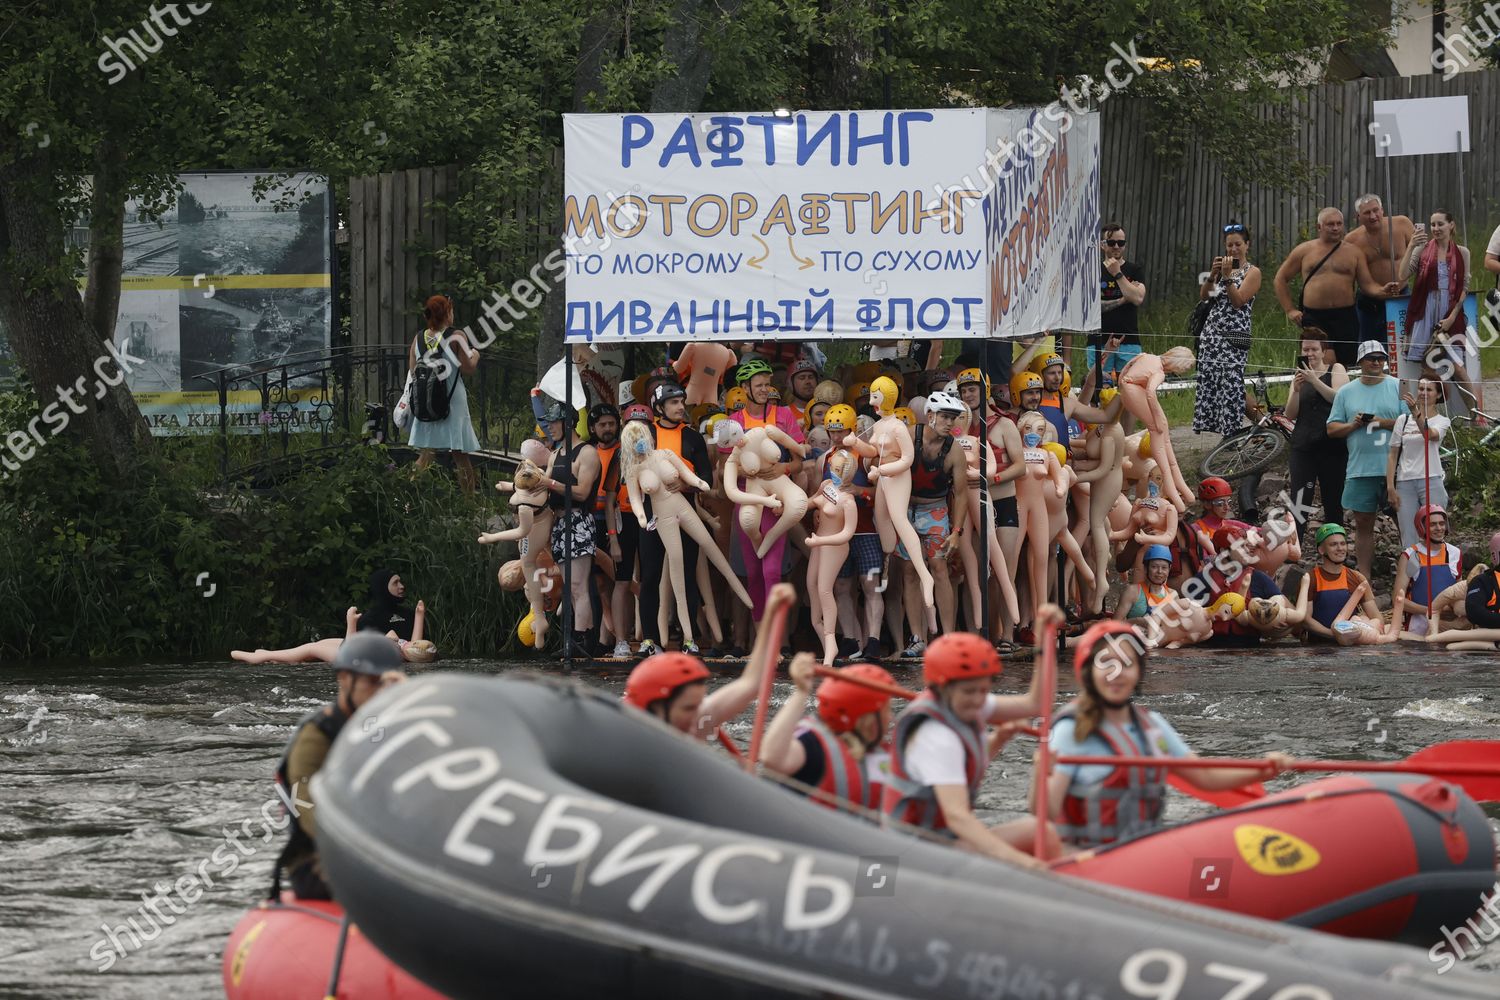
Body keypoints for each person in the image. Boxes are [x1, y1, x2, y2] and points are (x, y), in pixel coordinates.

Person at [1045, 621, 1292, 852]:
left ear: (1139, 673)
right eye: (1107, 663)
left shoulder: (1152, 726)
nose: (1116, 673)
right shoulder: (1071, 730)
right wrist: (1042, 774)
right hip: (1083, 856)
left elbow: (1205, 777)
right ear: (1088, 671)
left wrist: (1263, 769)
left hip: (1140, 853)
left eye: (1127, 664)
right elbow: (1046, 810)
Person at [883, 631, 1055, 869]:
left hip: (940, 839)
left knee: (1041, 832)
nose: (978, 701)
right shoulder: (936, 735)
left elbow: (1034, 704)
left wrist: (1044, 646)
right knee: (1017, 855)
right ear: (943, 686)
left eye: (983, 690)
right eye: (970, 691)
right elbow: (957, 817)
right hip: (913, 852)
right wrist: (1023, 862)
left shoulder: (964, 705)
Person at [270, 632, 407, 899]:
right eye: (372, 683)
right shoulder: (316, 735)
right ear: (344, 679)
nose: (381, 693)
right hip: (318, 860)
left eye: (386, 684)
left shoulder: (381, 732)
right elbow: (307, 808)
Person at [622, 583, 787, 737]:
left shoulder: (695, 718)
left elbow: (749, 685)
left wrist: (771, 612)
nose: (698, 716)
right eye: (689, 708)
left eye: (699, 705)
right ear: (653, 710)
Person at [637, 382, 714, 657]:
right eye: (673, 403)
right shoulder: (645, 436)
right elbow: (632, 473)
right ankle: (649, 640)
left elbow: (707, 479)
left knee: (686, 577)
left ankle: (688, 638)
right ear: (659, 408)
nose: (681, 407)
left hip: (685, 515)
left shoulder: (693, 438)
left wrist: (685, 486)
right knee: (650, 577)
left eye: (682, 401)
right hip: (652, 518)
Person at [761, 654, 895, 811]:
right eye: (886, 710)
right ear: (867, 719)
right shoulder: (814, 746)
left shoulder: (886, 751)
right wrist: (801, 692)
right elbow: (771, 757)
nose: (891, 717)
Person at [1274, 208, 1401, 366]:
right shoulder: (1304, 250)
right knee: (1323, 363)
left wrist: (1382, 291)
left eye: (1339, 224)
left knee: (1345, 364)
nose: (1335, 228)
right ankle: (1316, 389)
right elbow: (1280, 278)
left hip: (1346, 317)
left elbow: (1367, 284)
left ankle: (1340, 390)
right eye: (1330, 224)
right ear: (1319, 227)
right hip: (1315, 317)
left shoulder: (1354, 252)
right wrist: (1290, 310)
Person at [896, 391, 969, 654]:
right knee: (909, 572)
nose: (950, 423)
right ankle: (917, 638)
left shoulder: (954, 450)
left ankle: (948, 637)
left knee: (939, 568)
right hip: (906, 510)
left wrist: (957, 531)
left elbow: (961, 494)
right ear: (930, 416)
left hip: (935, 509)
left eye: (954, 418)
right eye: (946, 417)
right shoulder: (909, 435)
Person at [1326, 340, 1402, 580]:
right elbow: (1331, 428)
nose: (1378, 362)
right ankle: (1364, 577)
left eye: (1381, 358)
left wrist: (1379, 421)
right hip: (1360, 468)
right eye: (1372, 358)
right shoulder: (1346, 392)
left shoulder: (1397, 386)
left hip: (1397, 468)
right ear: (1360, 362)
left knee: (1404, 521)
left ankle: (1410, 574)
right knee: (1363, 522)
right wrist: (1353, 425)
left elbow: (1411, 421)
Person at [536, 399, 602, 657]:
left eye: (553, 423)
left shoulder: (586, 453)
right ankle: (571, 639)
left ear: (568, 423)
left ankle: (583, 639)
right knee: (568, 586)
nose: (550, 428)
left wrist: (549, 482)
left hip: (579, 520)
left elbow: (583, 491)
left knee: (578, 585)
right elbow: (543, 486)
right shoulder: (555, 454)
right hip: (559, 522)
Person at [1399, 209, 1474, 409]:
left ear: (1451, 225)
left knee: (1458, 367)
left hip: (1451, 311)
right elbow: (1403, 274)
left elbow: (1464, 287)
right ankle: (1428, 416)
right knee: (1428, 368)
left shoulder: (1463, 252)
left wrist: (1452, 317)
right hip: (1425, 310)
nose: (1435, 228)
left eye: (1440, 224)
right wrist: (1411, 246)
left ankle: (1477, 415)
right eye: (1432, 224)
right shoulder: (1422, 248)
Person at [1192, 222, 1261, 437]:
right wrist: (1213, 275)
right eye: (1229, 245)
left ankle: (1234, 432)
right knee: (1215, 383)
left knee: (1232, 384)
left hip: (1235, 336)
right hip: (1212, 336)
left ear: (1247, 245)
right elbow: (1205, 297)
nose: (1233, 249)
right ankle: (1256, 426)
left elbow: (1238, 301)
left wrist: (1228, 277)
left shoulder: (1253, 272)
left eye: (1238, 244)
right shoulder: (1220, 269)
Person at [407, 294, 480, 493]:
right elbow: (468, 367)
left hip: (427, 400)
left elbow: (413, 371)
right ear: (447, 313)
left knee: (426, 453)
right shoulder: (457, 336)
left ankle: (407, 498)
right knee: (460, 454)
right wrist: (476, 355)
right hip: (452, 400)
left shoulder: (419, 338)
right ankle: (469, 503)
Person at [1285, 329, 1348, 541]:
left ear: (1323, 351)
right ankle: (1296, 547)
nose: (1309, 353)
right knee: (1300, 499)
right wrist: (1295, 390)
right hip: (1304, 446)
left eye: (1313, 349)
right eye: (1305, 349)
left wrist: (1315, 381)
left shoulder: (1336, 369)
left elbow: (1340, 398)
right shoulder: (1299, 374)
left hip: (1332, 446)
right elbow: (1290, 413)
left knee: (1333, 500)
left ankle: (1335, 547)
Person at [233, 604, 434, 665]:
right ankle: (276, 655)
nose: (414, 642)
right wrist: (419, 615)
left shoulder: (392, 652)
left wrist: (351, 622)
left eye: (414, 645)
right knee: (312, 648)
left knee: (311, 648)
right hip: (356, 648)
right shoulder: (405, 649)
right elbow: (416, 641)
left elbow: (351, 650)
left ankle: (262, 656)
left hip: (349, 654)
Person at [1385, 379, 1450, 549]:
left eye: (1429, 389)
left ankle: (1437, 569)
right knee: (1408, 533)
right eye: (1421, 388)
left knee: (1435, 530)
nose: (1423, 392)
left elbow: (1429, 435)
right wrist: (1390, 487)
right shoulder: (1403, 420)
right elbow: (1392, 454)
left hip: (1432, 478)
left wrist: (1416, 412)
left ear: (1438, 395)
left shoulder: (1442, 421)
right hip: (1405, 481)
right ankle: (1412, 574)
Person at [1345, 194, 1417, 345]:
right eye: (1367, 213)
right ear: (1358, 216)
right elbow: (1352, 278)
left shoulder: (1402, 224)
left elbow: (1423, 255)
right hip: (1369, 303)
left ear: (1382, 210)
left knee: (1403, 346)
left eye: (1375, 210)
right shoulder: (1352, 241)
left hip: (1401, 296)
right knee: (1369, 349)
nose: (1372, 216)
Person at [1392, 504, 1462, 636]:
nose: (1439, 528)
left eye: (1442, 523)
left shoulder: (1455, 553)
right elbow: (1397, 599)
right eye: (1433, 524)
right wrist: (1430, 611)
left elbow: (1459, 593)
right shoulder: (1410, 555)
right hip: (1418, 626)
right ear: (1421, 527)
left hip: (1448, 625)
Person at [1302, 524, 1380, 642]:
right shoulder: (1310, 578)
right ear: (1321, 550)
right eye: (1333, 544)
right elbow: (1306, 620)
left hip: (1350, 645)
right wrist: (1335, 635)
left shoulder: (1357, 578)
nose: (1340, 548)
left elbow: (1376, 617)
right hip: (1318, 647)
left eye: (1343, 544)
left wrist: (1365, 634)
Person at [1091, 222, 1146, 382]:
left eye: (1120, 243)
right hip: (1099, 340)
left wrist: (1117, 274)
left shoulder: (1135, 270)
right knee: (1099, 386)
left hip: (1129, 340)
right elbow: (1093, 307)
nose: (1116, 246)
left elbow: (1137, 298)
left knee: (1129, 388)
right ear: (1102, 245)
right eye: (1111, 242)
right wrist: (1123, 299)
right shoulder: (1093, 270)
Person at [1115, 545, 1177, 626]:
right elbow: (1114, 625)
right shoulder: (1133, 591)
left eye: (1164, 568)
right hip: (1133, 637)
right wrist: (1136, 621)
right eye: (1154, 567)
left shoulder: (1173, 595)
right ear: (1145, 568)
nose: (1159, 571)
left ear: (1169, 569)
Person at [356, 568, 414, 640]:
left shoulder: (410, 614)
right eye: (395, 583)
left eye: (400, 582)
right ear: (383, 587)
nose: (402, 586)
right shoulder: (368, 620)